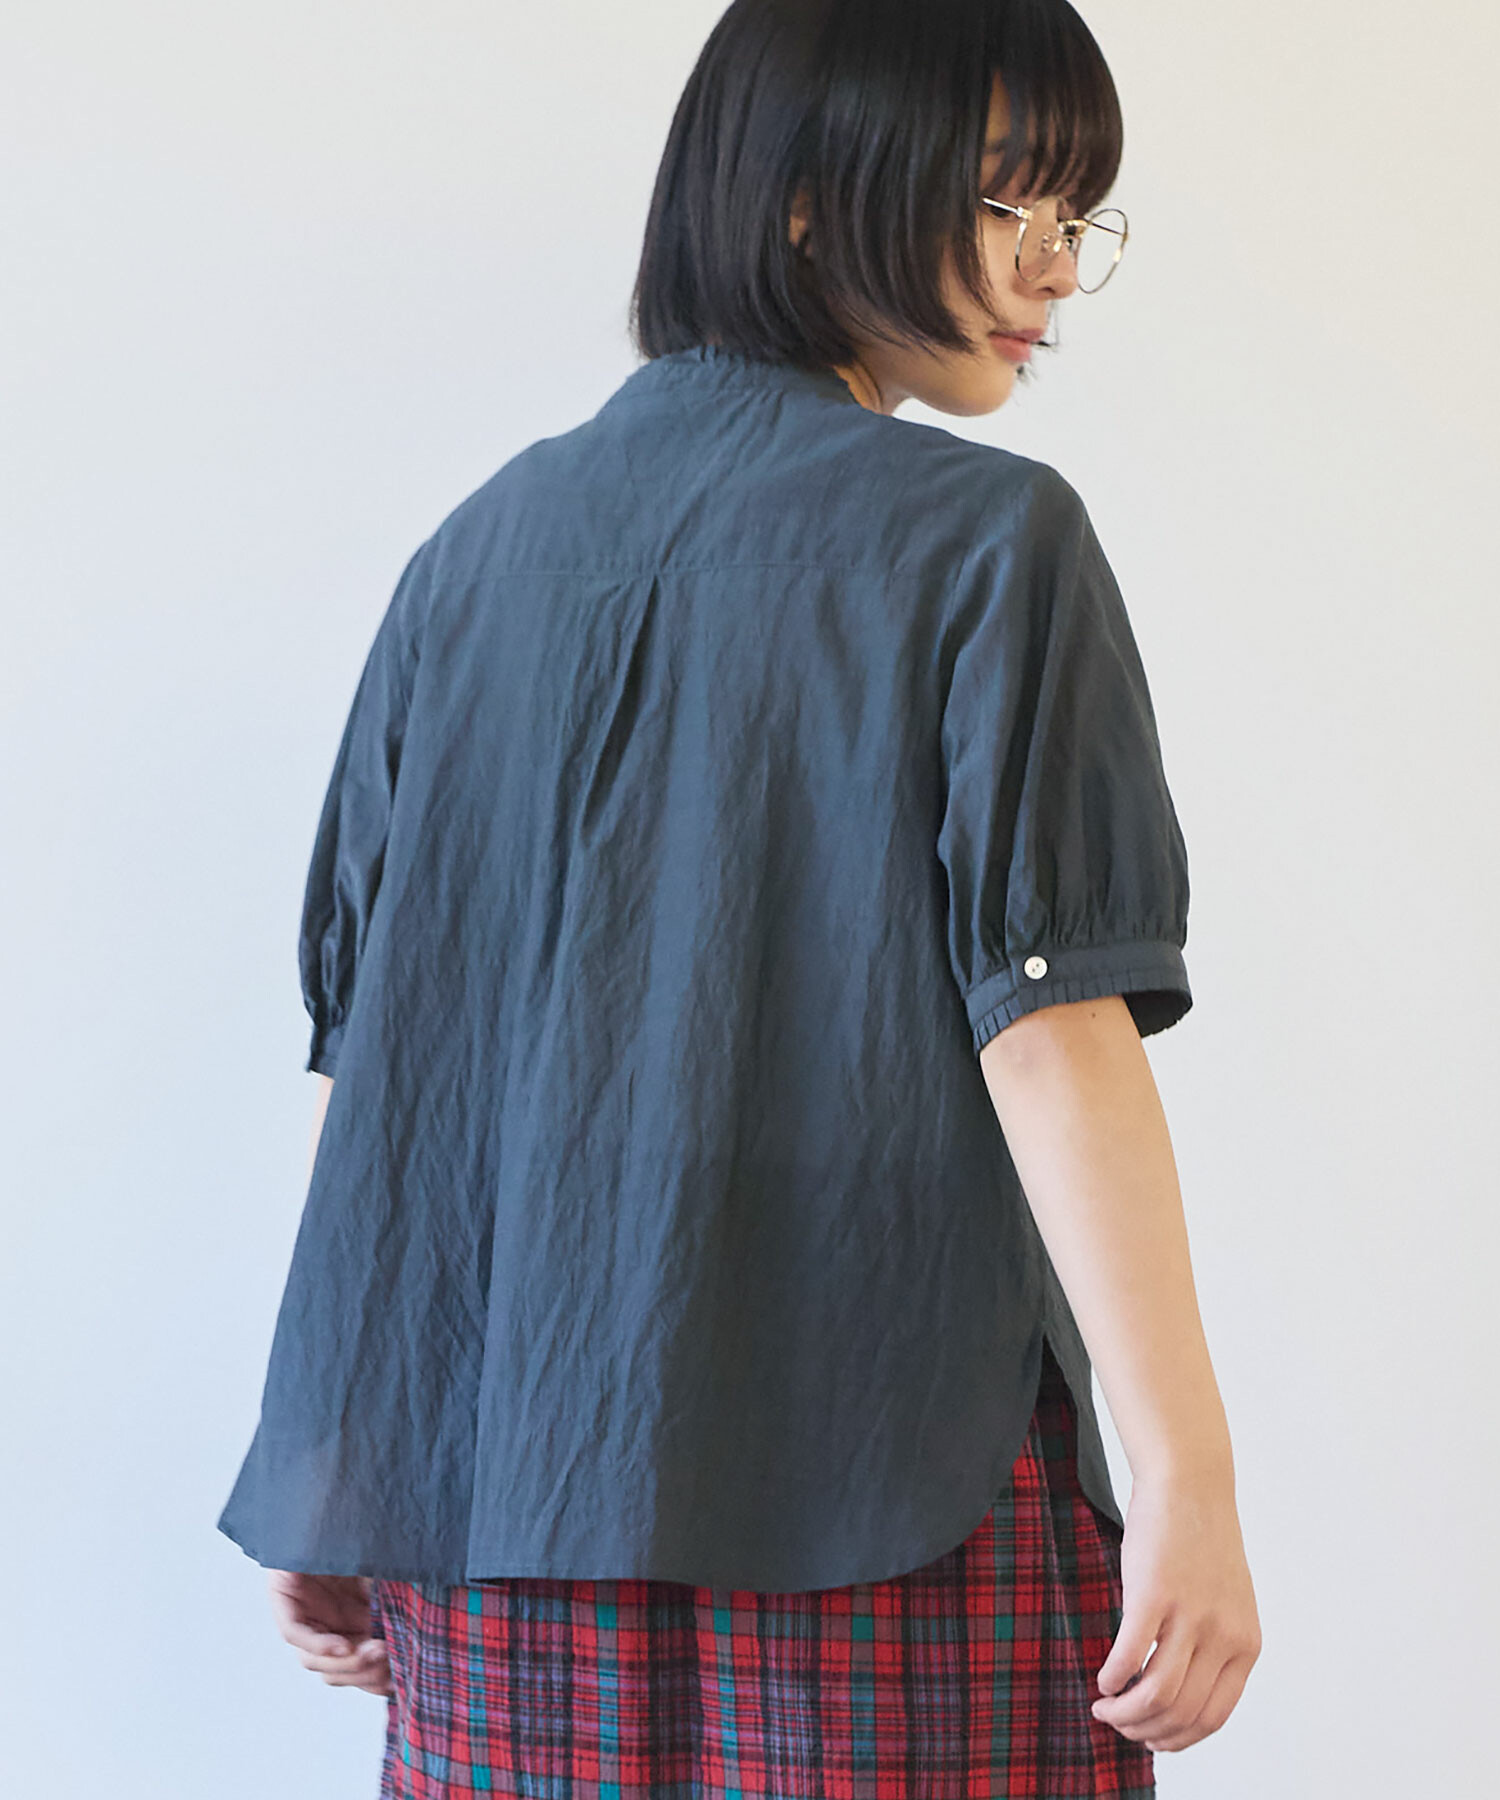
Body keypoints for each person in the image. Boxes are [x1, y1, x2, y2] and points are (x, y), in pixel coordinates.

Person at [224, 0, 1262, 1792]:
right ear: (799, 199)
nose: (1054, 268)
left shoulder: (470, 558)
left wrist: (339, 1444)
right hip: (890, 1489)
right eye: (1005, 200)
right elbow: (1051, 1023)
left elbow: (386, 1062)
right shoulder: (986, 544)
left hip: (502, 1510)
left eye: (1074, 211)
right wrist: (1190, 1480)